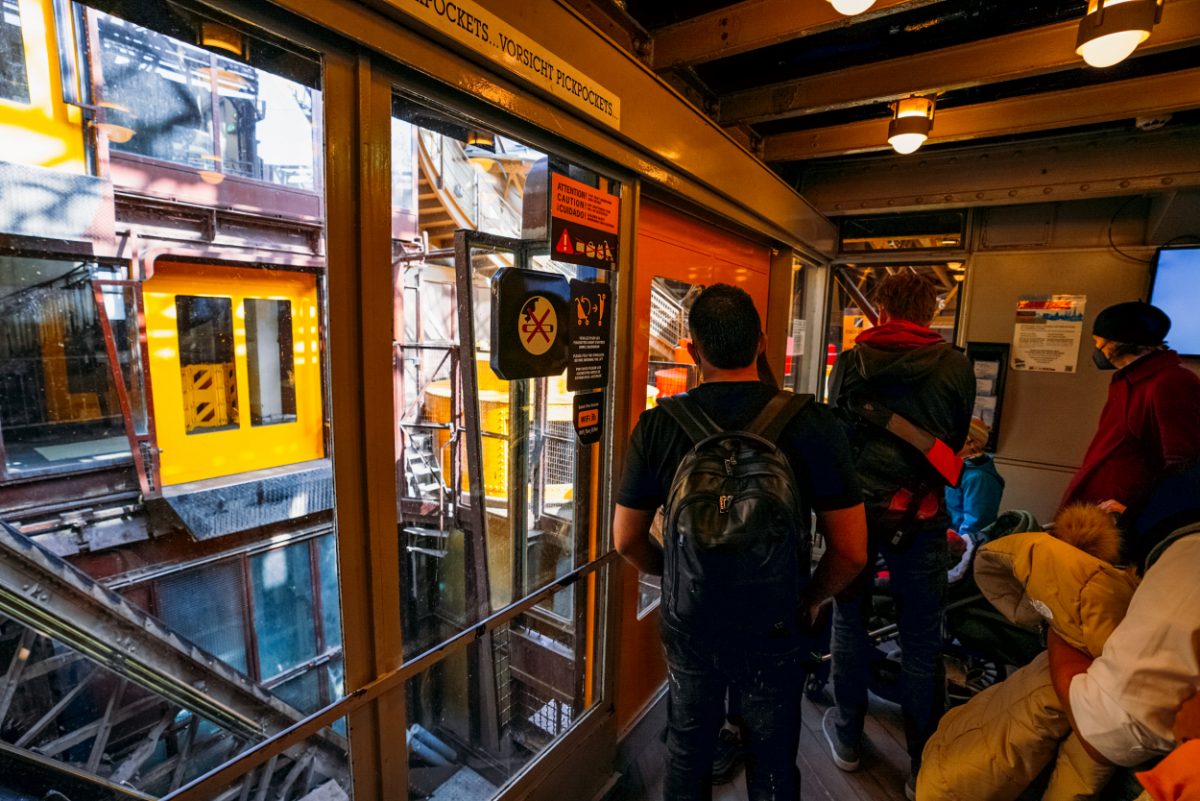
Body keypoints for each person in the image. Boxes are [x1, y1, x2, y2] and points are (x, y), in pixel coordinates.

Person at [613, 284, 868, 801]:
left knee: (687, 750)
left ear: (692, 351)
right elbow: (853, 551)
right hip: (776, 620)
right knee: (773, 757)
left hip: (692, 622)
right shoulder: (813, 423)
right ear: (762, 343)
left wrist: (680, 576)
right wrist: (810, 599)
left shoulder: (659, 426)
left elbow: (625, 540)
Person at [822, 271, 975, 799]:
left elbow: (836, 438)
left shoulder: (852, 361)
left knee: (849, 624)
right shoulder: (956, 366)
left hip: (858, 516)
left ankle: (846, 738)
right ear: (930, 311)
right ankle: (921, 763)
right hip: (922, 516)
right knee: (921, 641)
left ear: (882, 309)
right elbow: (953, 441)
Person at [1061, 300, 1200, 535]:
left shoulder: (1171, 382)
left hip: (1124, 523)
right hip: (1100, 514)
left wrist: (1135, 512)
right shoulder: (1129, 380)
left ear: (1119, 343)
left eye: (1099, 342)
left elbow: (1185, 466)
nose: (1097, 349)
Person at [944, 417, 1004, 581]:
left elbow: (975, 526)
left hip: (959, 549)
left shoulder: (979, 478)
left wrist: (952, 548)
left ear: (972, 443)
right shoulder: (958, 469)